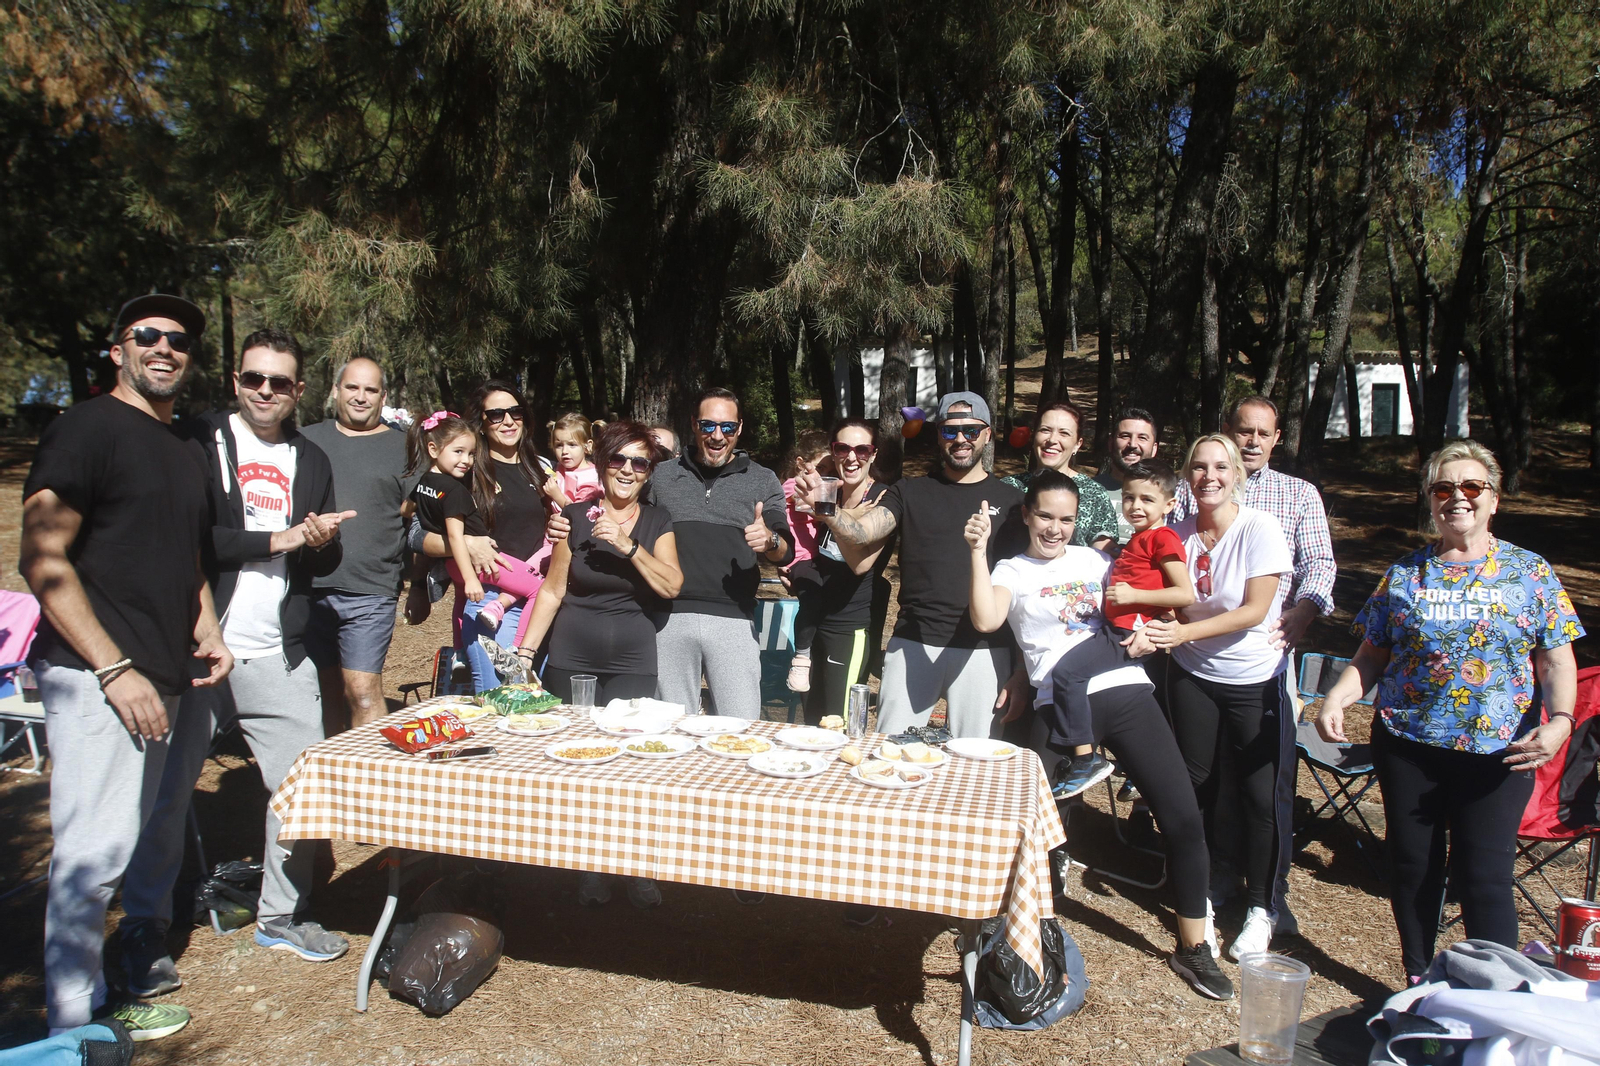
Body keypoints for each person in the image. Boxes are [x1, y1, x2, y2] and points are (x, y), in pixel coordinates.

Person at [20, 293, 231, 1041]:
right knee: (93, 856)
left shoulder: (182, 447)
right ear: (118, 350)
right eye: (147, 335)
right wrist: (114, 670)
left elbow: (185, 556)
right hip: (98, 680)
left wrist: (205, 624)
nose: (165, 347)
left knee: (152, 834)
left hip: (172, 675)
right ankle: (71, 1030)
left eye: (178, 339)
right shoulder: (85, 428)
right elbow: (41, 558)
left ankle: (124, 972)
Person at [122, 327, 357, 993]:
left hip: (277, 651)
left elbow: (321, 562)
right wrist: (279, 536)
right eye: (253, 378)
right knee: (166, 797)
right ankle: (145, 927)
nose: (265, 391)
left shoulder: (310, 458)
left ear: (299, 390)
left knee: (300, 793)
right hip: (195, 648)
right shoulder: (196, 442)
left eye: (279, 382)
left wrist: (317, 540)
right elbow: (188, 537)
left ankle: (282, 915)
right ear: (235, 381)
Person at [1317, 440, 1583, 982]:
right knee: (1413, 868)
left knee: (1483, 875)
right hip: (1409, 745)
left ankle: (1495, 992)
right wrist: (1339, 695)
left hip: (1499, 749)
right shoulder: (1406, 574)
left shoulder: (1530, 573)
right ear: (1430, 501)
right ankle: (1418, 979)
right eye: (1443, 488)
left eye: (1471, 487)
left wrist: (1560, 722)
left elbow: (1557, 662)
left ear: (1493, 499)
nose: (1456, 498)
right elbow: (1371, 654)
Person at [965, 469, 1232, 1000]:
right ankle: (1023, 937)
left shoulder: (1095, 560)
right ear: (1026, 515)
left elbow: (1142, 600)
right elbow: (987, 619)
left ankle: (1193, 947)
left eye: (1066, 519)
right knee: (1033, 831)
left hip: (1127, 692)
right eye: (1045, 516)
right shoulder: (1011, 569)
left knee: (1182, 815)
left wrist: (1148, 634)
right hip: (1059, 708)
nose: (1055, 529)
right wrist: (977, 551)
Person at [1173, 395, 1336, 934]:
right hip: (1194, 667)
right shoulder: (1183, 504)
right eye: (1243, 431)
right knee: (1207, 779)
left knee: (1264, 785)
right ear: (1227, 431)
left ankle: (1269, 896)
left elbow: (1317, 565)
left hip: (1260, 664)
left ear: (1276, 438)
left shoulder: (1291, 499)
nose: (1251, 442)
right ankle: (1216, 874)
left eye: (1262, 434)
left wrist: (1303, 613)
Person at [516, 421, 683, 907]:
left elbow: (672, 585)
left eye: (640, 463)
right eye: (619, 460)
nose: (628, 471)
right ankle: (587, 866)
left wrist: (628, 547)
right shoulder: (572, 517)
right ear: (603, 462)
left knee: (634, 767)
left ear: (649, 473)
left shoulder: (658, 521)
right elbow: (552, 589)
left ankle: (636, 868)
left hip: (633, 660)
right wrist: (526, 654)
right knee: (577, 762)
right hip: (572, 657)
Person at [1141, 434, 1294, 961]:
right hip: (1192, 675)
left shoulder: (1260, 528)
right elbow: (1170, 601)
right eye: (1199, 467)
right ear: (1186, 475)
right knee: (1197, 785)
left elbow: (1255, 610)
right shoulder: (1176, 535)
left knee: (1257, 796)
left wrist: (1181, 633)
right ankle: (1205, 883)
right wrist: (1160, 619)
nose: (1210, 476)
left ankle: (1261, 907)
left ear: (1237, 474)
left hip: (1252, 678)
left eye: (1220, 467)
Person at [799, 392, 1030, 738]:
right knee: (892, 753)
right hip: (913, 645)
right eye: (950, 431)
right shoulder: (910, 491)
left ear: (987, 434)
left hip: (984, 651)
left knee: (975, 765)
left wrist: (1020, 672)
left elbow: (1025, 596)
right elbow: (863, 533)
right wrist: (827, 510)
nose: (961, 439)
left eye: (970, 430)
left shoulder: (1013, 503)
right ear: (938, 435)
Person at [407, 382, 569, 690]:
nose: (508, 421)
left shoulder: (542, 467)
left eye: (515, 412)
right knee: (500, 701)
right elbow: (417, 535)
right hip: (490, 601)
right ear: (481, 422)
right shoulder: (464, 468)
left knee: (534, 703)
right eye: (496, 414)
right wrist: (466, 544)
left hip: (541, 601)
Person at [1047, 459, 1193, 796]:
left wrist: (1134, 595)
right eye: (1129, 497)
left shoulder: (1163, 537)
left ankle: (1085, 758)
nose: (1135, 506)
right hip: (1113, 629)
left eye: (1146, 499)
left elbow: (1185, 593)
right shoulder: (1139, 539)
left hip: (1127, 633)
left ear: (1169, 504)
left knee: (1068, 674)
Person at [649, 387, 792, 719]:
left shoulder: (762, 479)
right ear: (693, 426)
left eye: (727, 427)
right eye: (707, 425)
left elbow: (785, 551)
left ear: (739, 429)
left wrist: (769, 539)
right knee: (668, 732)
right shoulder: (661, 477)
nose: (717, 436)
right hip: (668, 617)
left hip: (734, 619)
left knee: (740, 729)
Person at [302, 357, 415, 730]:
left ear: (383, 397)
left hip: (371, 590)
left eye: (370, 390)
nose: (361, 397)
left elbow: (422, 516)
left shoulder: (406, 448)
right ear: (336, 391)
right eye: (352, 387)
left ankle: (376, 780)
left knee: (363, 691)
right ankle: (335, 779)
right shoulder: (305, 439)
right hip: (305, 588)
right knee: (326, 691)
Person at [789, 420, 890, 723]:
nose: (851, 457)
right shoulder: (829, 491)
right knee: (812, 722)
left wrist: (827, 513)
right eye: (842, 448)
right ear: (832, 452)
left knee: (838, 724)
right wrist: (795, 573)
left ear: (873, 454)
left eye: (862, 449)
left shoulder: (881, 499)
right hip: (815, 625)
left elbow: (860, 564)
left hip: (849, 629)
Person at [1000, 401, 1118, 549]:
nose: (1052, 440)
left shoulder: (1094, 494)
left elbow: (1104, 549)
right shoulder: (1008, 486)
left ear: (1077, 444)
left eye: (1064, 433)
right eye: (1045, 430)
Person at [779, 428, 832, 692]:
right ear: (801, 463)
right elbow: (801, 501)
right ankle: (801, 657)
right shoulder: (792, 485)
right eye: (819, 466)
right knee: (811, 597)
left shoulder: (823, 486)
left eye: (828, 467)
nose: (823, 473)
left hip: (821, 557)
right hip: (800, 559)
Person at [1093, 406, 1160, 546]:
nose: (1133, 444)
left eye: (1142, 438)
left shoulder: (1164, 495)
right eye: (1125, 436)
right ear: (1111, 444)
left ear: (1154, 449)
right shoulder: (1088, 490)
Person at [541, 412, 604, 507]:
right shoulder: (557, 467)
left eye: (572, 445)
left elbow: (579, 514)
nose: (565, 451)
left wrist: (556, 495)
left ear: (588, 446)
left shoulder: (590, 478)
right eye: (559, 445)